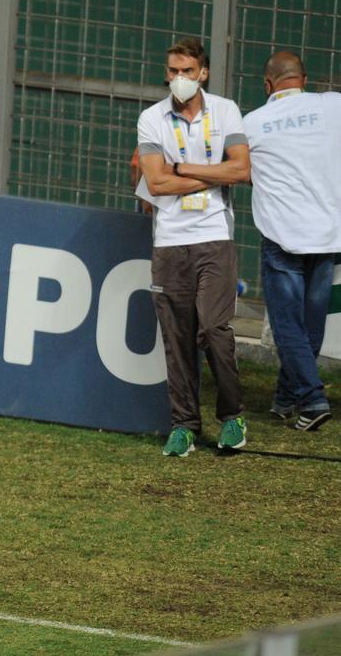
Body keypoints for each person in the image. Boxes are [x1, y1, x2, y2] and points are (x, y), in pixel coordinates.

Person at [243, 51, 341, 432]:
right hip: (327, 235)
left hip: (282, 236)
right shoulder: (334, 106)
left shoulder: (253, 123)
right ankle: (286, 399)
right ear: (304, 78)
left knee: (288, 327)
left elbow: (241, 169)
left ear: (267, 84)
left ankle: (311, 398)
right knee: (310, 327)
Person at [135, 37, 251, 457]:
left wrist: (181, 166)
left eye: (187, 71)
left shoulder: (226, 110)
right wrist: (214, 175)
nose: (179, 79)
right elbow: (156, 182)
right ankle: (183, 424)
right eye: (173, 71)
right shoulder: (152, 119)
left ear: (203, 73)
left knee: (214, 330)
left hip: (214, 237)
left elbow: (242, 168)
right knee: (177, 337)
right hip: (170, 242)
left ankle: (232, 415)